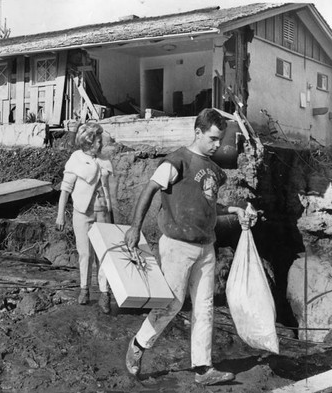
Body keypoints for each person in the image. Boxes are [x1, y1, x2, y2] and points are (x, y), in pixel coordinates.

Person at [124, 108, 250, 386]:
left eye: (221, 139)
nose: (218, 145)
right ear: (197, 132)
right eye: (213, 139)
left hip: (206, 245)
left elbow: (207, 205)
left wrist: (233, 209)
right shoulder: (177, 161)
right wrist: (135, 227)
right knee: (172, 303)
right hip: (177, 246)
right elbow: (150, 189)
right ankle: (139, 344)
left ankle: (203, 369)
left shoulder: (215, 171)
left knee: (204, 307)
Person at [56, 122, 114, 314]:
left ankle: (105, 294)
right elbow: (65, 189)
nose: (101, 144)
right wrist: (60, 216)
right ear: (89, 142)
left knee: (104, 255)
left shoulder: (104, 160)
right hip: (82, 213)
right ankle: (84, 289)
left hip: (102, 213)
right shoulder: (76, 159)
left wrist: (111, 211)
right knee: (85, 254)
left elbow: (107, 190)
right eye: (98, 140)